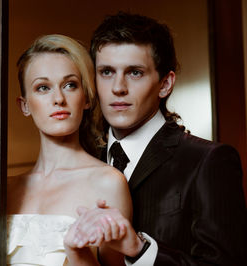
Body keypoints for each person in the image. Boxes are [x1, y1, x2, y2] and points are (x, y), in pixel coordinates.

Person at [72, 12, 247, 265]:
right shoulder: (83, 161)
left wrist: (141, 250)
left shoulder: (208, 161)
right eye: (107, 72)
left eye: (134, 73)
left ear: (165, 84)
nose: (118, 87)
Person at [6, 34, 132, 265]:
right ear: (24, 105)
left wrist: (78, 253)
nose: (58, 99)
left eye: (70, 85)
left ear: (85, 98)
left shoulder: (108, 183)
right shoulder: (5, 189)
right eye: (43, 87)